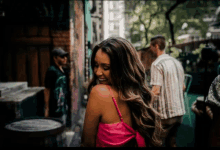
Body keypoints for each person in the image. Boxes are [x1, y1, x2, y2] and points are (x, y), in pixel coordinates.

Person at [81, 37, 165, 147]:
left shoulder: (99, 92)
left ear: (122, 68)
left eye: (106, 67)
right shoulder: (137, 95)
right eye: (96, 65)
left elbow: (87, 143)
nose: (97, 72)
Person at [149, 35, 186, 147]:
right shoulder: (176, 62)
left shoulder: (157, 64)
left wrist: (147, 106)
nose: (150, 49)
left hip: (165, 116)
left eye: (150, 46)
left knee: (155, 143)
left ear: (156, 46)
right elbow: (183, 87)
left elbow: (155, 91)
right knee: (172, 142)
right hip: (179, 113)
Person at [44, 47, 69, 125]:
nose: (65, 58)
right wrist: (46, 108)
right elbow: (47, 90)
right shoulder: (51, 71)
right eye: (62, 57)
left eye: (65, 56)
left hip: (63, 107)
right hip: (55, 109)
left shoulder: (63, 70)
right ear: (55, 58)